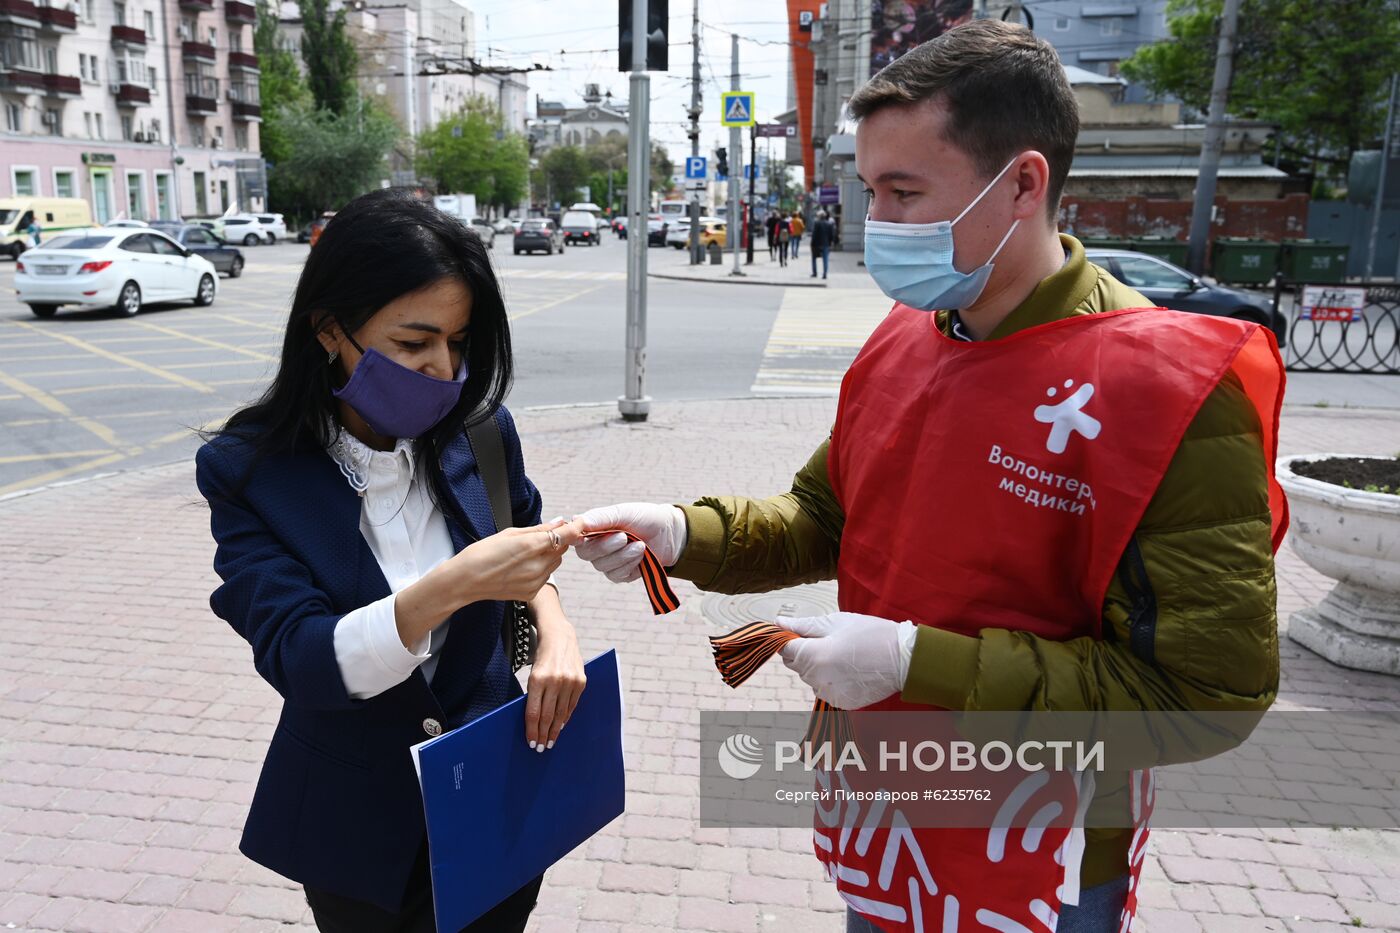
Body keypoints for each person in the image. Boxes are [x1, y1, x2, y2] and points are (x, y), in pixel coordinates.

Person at [572, 20, 1284, 933]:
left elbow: (1203, 698)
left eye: (905, 193)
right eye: (871, 191)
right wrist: (682, 532)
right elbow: (825, 513)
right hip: (886, 817)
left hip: (1041, 859)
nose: (880, 228)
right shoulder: (907, 337)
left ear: (1023, 182)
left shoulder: (1168, 391)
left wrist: (917, 661)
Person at [196, 188, 587, 933]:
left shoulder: (481, 430)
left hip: (495, 792)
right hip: (358, 827)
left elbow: (525, 543)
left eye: (459, 341)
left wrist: (552, 627)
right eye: (414, 344)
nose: (444, 370)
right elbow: (304, 658)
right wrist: (451, 586)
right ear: (329, 330)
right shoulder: (249, 472)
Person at [809, 211, 835, 278]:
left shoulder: (817, 223)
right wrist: (831, 242)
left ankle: (815, 273)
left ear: (819, 216)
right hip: (826, 244)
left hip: (817, 244)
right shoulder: (829, 224)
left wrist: (812, 244)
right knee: (825, 259)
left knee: (814, 258)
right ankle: (825, 274)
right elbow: (831, 235)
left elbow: (814, 234)